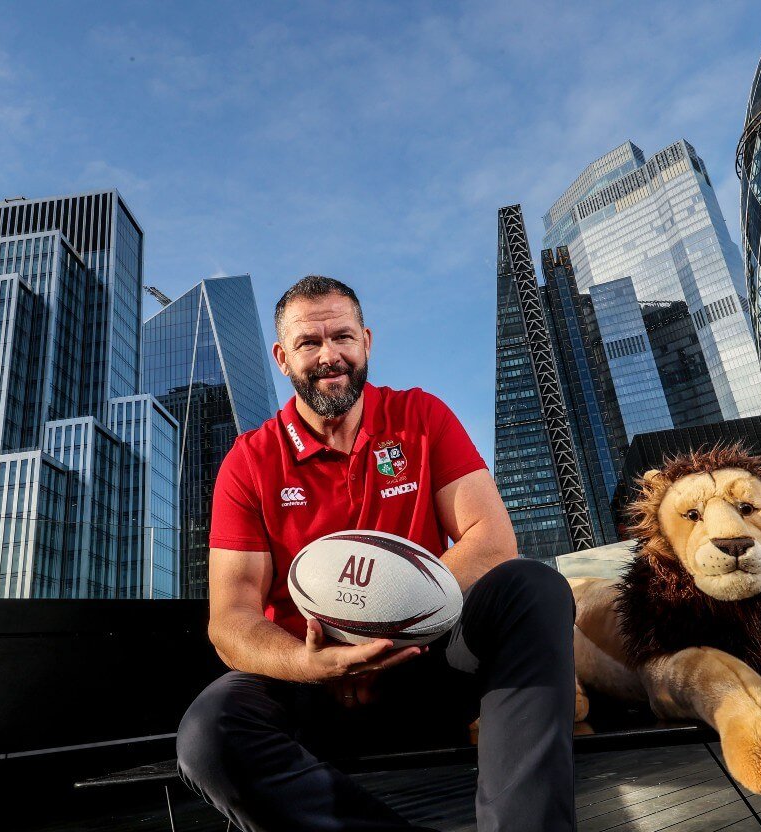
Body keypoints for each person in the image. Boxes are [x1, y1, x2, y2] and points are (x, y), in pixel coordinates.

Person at [175, 275, 576, 832]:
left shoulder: (420, 417)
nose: (329, 355)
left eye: (342, 337)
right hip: (314, 681)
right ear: (282, 357)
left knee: (532, 587)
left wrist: (390, 628)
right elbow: (231, 620)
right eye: (308, 343)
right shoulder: (248, 462)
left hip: (432, 662)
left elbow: (490, 539)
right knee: (209, 732)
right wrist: (315, 664)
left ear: (366, 341)